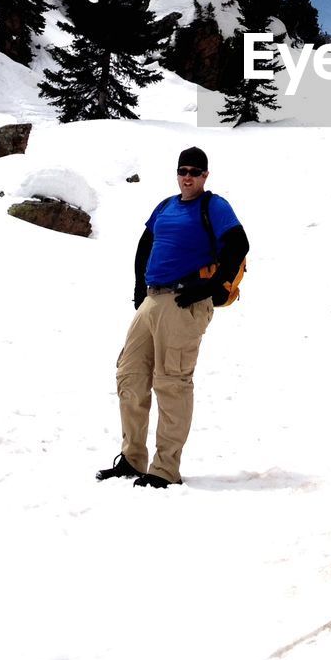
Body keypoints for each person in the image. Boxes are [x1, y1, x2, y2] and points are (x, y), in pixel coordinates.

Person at [96, 146, 249, 488]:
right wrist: (139, 290)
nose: (188, 177)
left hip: (185, 302)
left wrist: (208, 287)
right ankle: (133, 459)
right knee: (130, 375)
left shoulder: (215, 206)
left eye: (195, 171)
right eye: (183, 171)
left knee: (172, 382)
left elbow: (239, 244)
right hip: (153, 299)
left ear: (205, 175)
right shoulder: (165, 206)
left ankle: (165, 468)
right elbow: (145, 244)